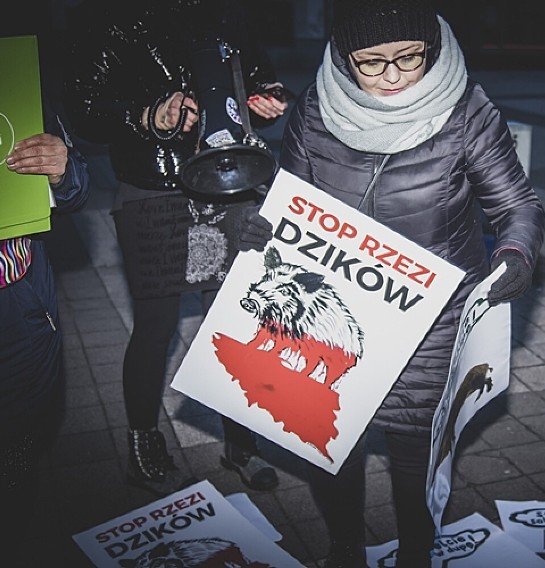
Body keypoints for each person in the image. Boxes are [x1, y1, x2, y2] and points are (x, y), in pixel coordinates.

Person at [239, 1, 545, 565]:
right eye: (371, 63)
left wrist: (516, 253)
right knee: (330, 439)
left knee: (414, 448)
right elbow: (289, 199)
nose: (394, 77)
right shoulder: (314, 111)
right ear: (341, 56)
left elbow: (517, 204)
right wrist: (261, 227)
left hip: (433, 314)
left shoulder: (467, 111)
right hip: (328, 306)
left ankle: (417, 552)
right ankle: (345, 545)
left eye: (410, 58)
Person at [62, 0, 288, 497]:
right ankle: (144, 446)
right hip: (155, 189)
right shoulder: (110, 14)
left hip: (225, 185)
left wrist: (265, 97)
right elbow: (84, 106)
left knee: (229, 318)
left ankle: (240, 443)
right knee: (156, 325)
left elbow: (254, 77)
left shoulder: (228, 11)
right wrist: (148, 115)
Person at [1, 98, 90, 559]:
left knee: (15, 454)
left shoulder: (16, 80)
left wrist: (62, 168)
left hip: (15, 312)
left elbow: (77, 187)